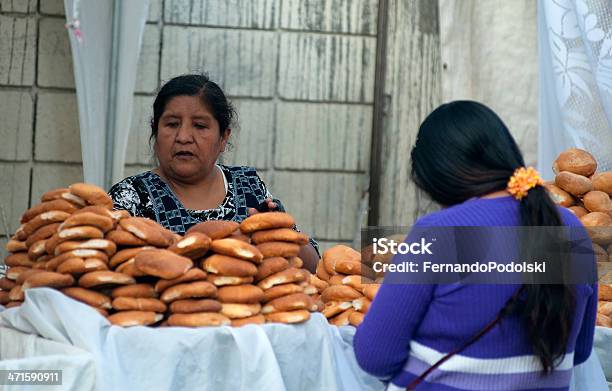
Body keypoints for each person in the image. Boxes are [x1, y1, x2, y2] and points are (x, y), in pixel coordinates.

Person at [354, 101, 597, 390]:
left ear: (441, 177)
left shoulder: (436, 233)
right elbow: (579, 350)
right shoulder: (573, 231)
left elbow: (374, 357)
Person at [109, 74, 319, 272]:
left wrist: (281, 232)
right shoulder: (131, 198)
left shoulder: (249, 185)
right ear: (155, 132)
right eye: (172, 124)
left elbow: (315, 266)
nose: (183, 137)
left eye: (200, 126)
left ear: (223, 137)